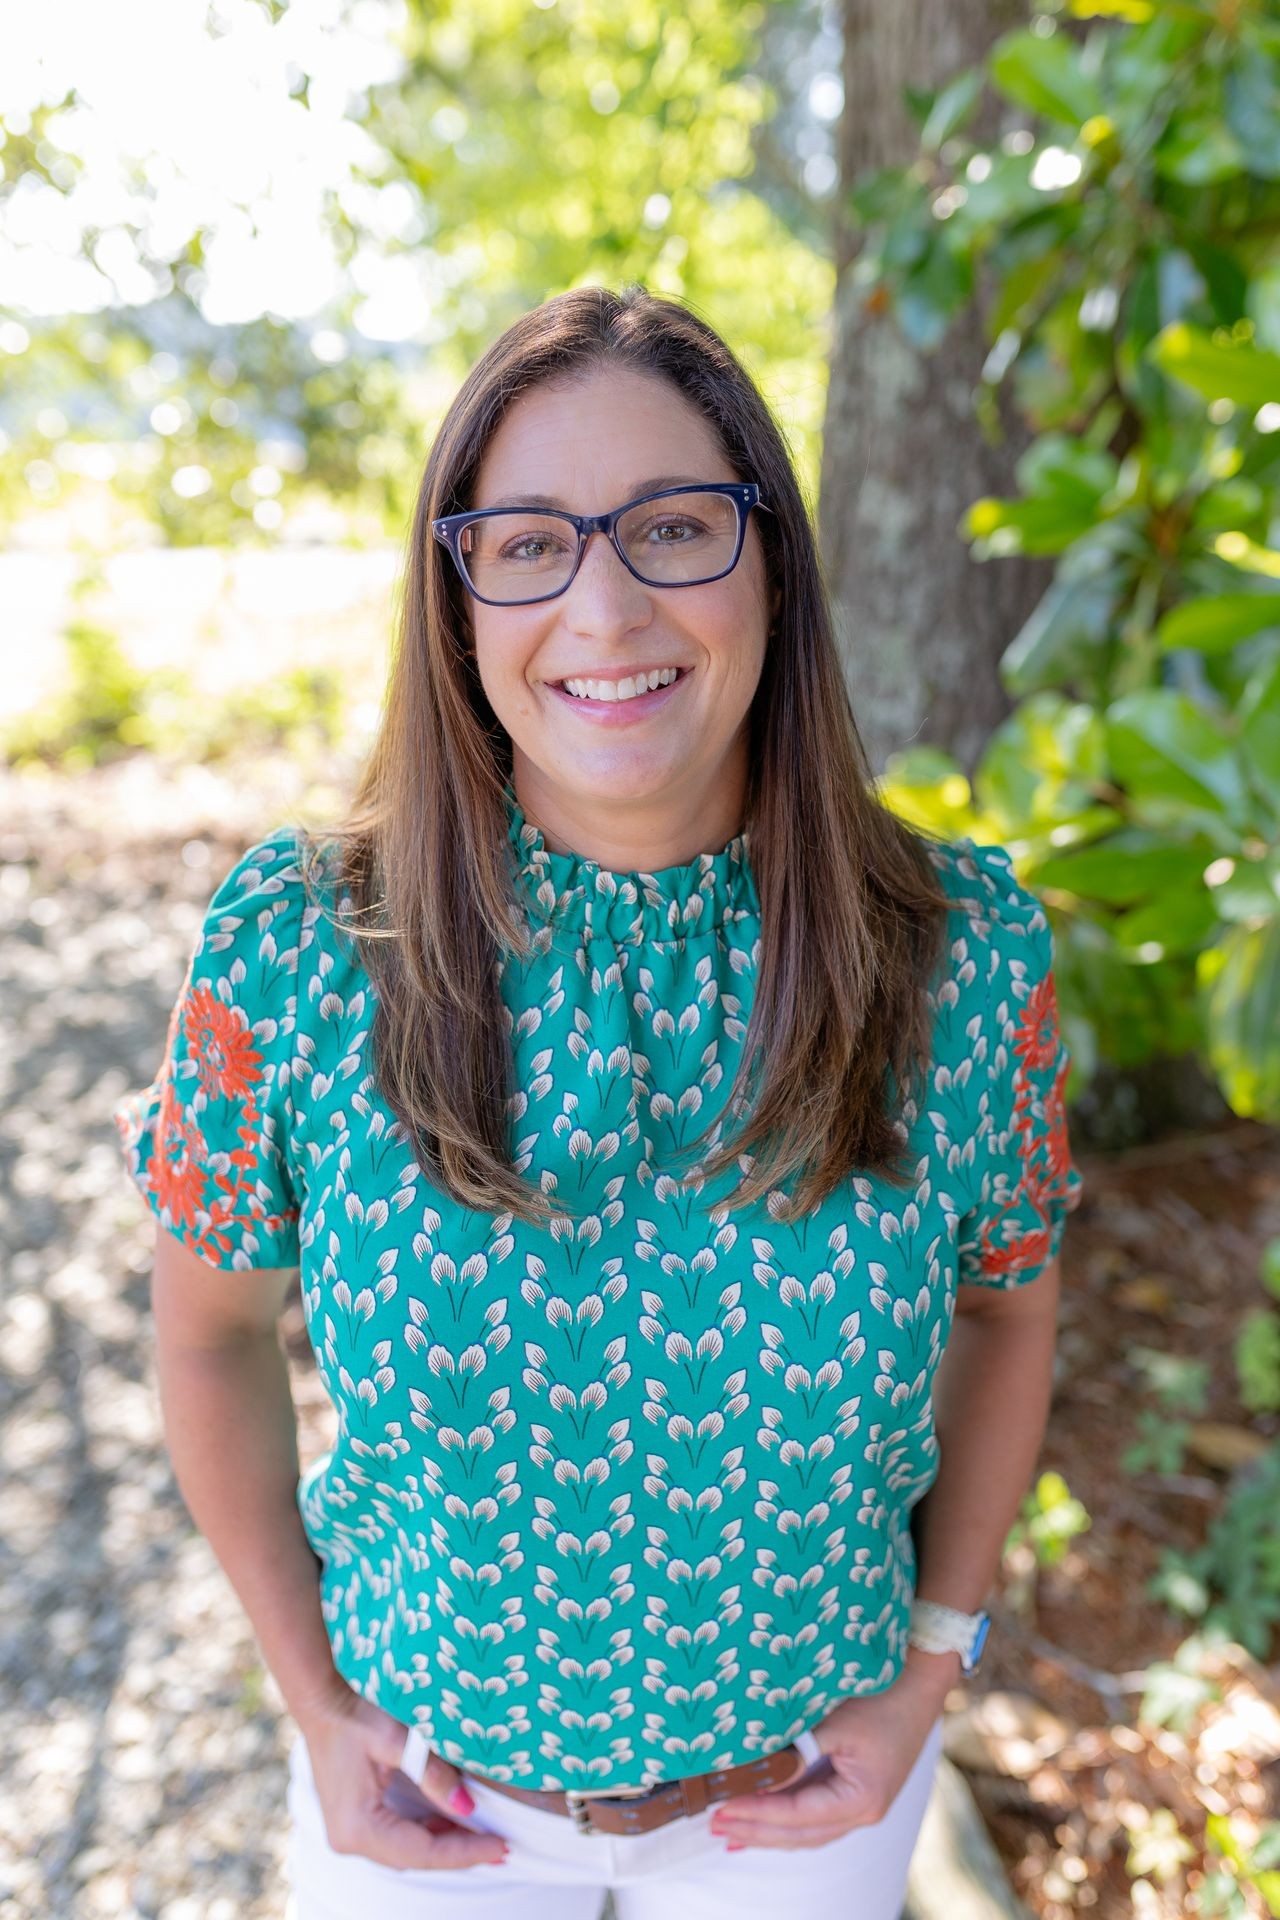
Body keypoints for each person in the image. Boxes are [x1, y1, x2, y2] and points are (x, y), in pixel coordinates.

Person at [115, 282, 1086, 1920]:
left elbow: (1009, 1310)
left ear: (772, 558)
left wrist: (932, 1661)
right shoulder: (297, 944)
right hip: (427, 1814)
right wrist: (311, 1699)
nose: (608, 605)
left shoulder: (960, 952)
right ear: (460, 599)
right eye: (528, 545)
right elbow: (208, 1335)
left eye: (675, 527)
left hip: (808, 1807)